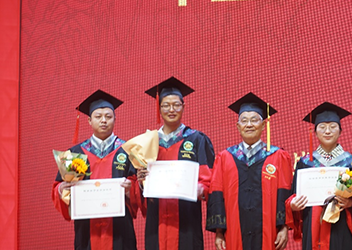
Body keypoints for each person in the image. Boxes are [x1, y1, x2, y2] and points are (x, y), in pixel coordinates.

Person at [52, 89, 138, 250]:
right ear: (89, 121)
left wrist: (130, 189)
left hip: (120, 230)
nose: (103, 121)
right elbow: (58, 188)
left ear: (115, 119)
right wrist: (63, 189)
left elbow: (138, 188)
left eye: (108, 116)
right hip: (87, 231)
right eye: (98, 117)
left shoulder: (128, 150)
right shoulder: (75, 153)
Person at [207, 92, 293, 250]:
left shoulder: (278, 156)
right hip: (233, 232)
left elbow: (284, 194)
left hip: (269, 232)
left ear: (263, 125)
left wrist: (284, 227)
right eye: (244, 120)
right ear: (238, 126)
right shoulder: (225, 157)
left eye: (254, 120)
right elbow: (217, 194)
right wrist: (219, 232)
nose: (249, 125)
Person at [137, 77, 215, 250]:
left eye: (176, 105)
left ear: (183, 107)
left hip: (187, 219)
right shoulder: (148, 142)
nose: (171, 110)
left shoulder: (197, 139)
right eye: (166, 105)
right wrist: (142, 183)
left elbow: (209, 180)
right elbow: (140, 188)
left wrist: (198, 189)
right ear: (159, 108)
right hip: (156, 221)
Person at [286, 102, 352, 250]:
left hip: (342, 227)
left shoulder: (351, 163)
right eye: (322, 127)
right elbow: (293, 196)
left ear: (340, 131)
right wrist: (293, 205)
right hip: (313, 225)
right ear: (315, 132)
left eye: (333, 127)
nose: (327, 131)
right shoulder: (305, 163)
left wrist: (350, 203)